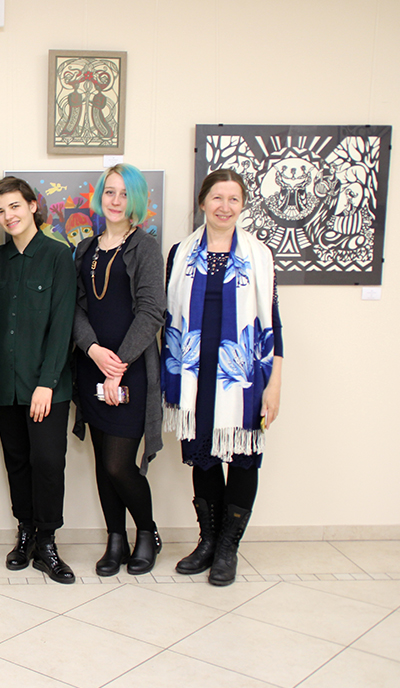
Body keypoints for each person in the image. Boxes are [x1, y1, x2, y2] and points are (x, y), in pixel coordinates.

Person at [162, 168, 283, 586]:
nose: (224, 207)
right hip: (194, 377)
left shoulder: (260, 255)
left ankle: (229, 548)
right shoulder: (180, 254)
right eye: (217, 197)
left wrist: (274, 385)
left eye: (233, 199)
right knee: (204, 458)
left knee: (244, 460)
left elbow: (274, 325)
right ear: (202, 202)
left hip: (244, 378)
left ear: (243, 205)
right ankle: (208, 542)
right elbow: (169, 317)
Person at [72, 164, 165, 576]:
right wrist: (93, 351)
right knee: (101, 462)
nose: (115, 200)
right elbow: (75, 308)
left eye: (124, 194)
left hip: (132, 371)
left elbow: (151, 312)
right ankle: (116, 539)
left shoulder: (145, 247)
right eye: (110, 192)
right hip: (92, 368)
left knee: (118, 464)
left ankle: (146, 532)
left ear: (136, 200)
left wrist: (117, 367)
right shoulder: (85, 249)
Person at [0, 177, 77, 584]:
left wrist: (47, 383)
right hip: (6, 386)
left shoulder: (59, 256)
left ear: (33, 206)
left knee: (48, 462)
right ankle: (24, 533)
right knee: (17, 462)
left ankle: (47, 542)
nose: (8, 216)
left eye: (14, 206)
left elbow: (62, 323)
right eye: (0, 211)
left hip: (47, 386)